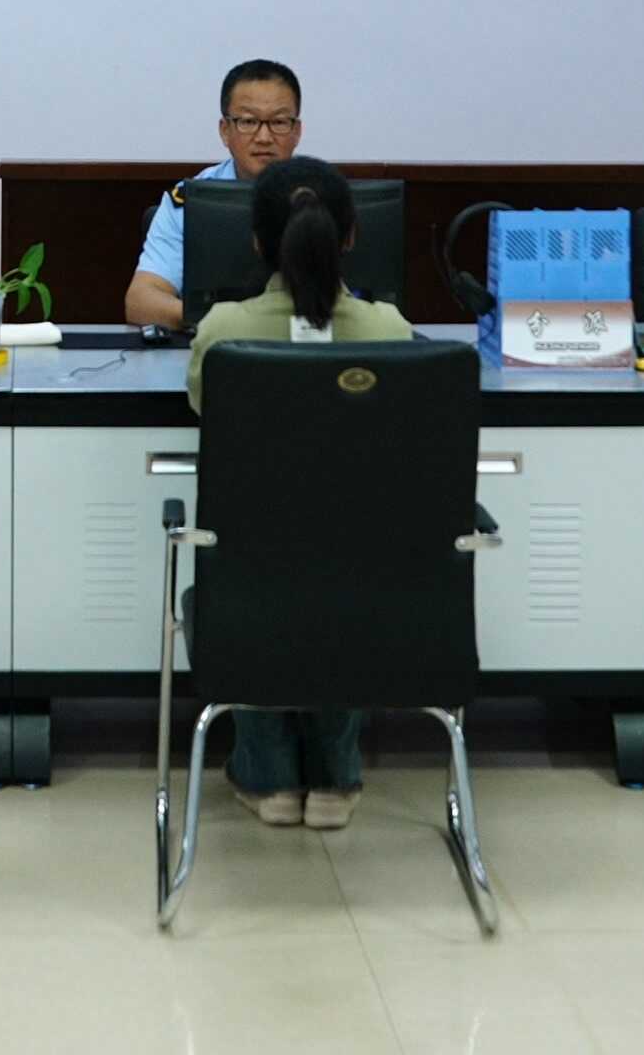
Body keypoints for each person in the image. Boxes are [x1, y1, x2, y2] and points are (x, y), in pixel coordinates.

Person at [184, 155, 414, 833]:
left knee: (258, 573)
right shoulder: (391, 331)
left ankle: (269, 778)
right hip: (370, 582)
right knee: (344, 569)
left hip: (251, 579)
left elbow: (204, 409)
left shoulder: (223, 331)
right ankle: (336, 777)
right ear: (351, 237)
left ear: (257, 241)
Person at [124, 59, 308, 332]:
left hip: (304, 346)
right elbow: (141, 301)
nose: (264, 137)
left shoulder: (324, 196)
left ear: (297, 131)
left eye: (279, 122)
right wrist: (227, 323)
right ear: (225, 131)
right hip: (212, 344)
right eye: (248, 121)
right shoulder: (191, 201)